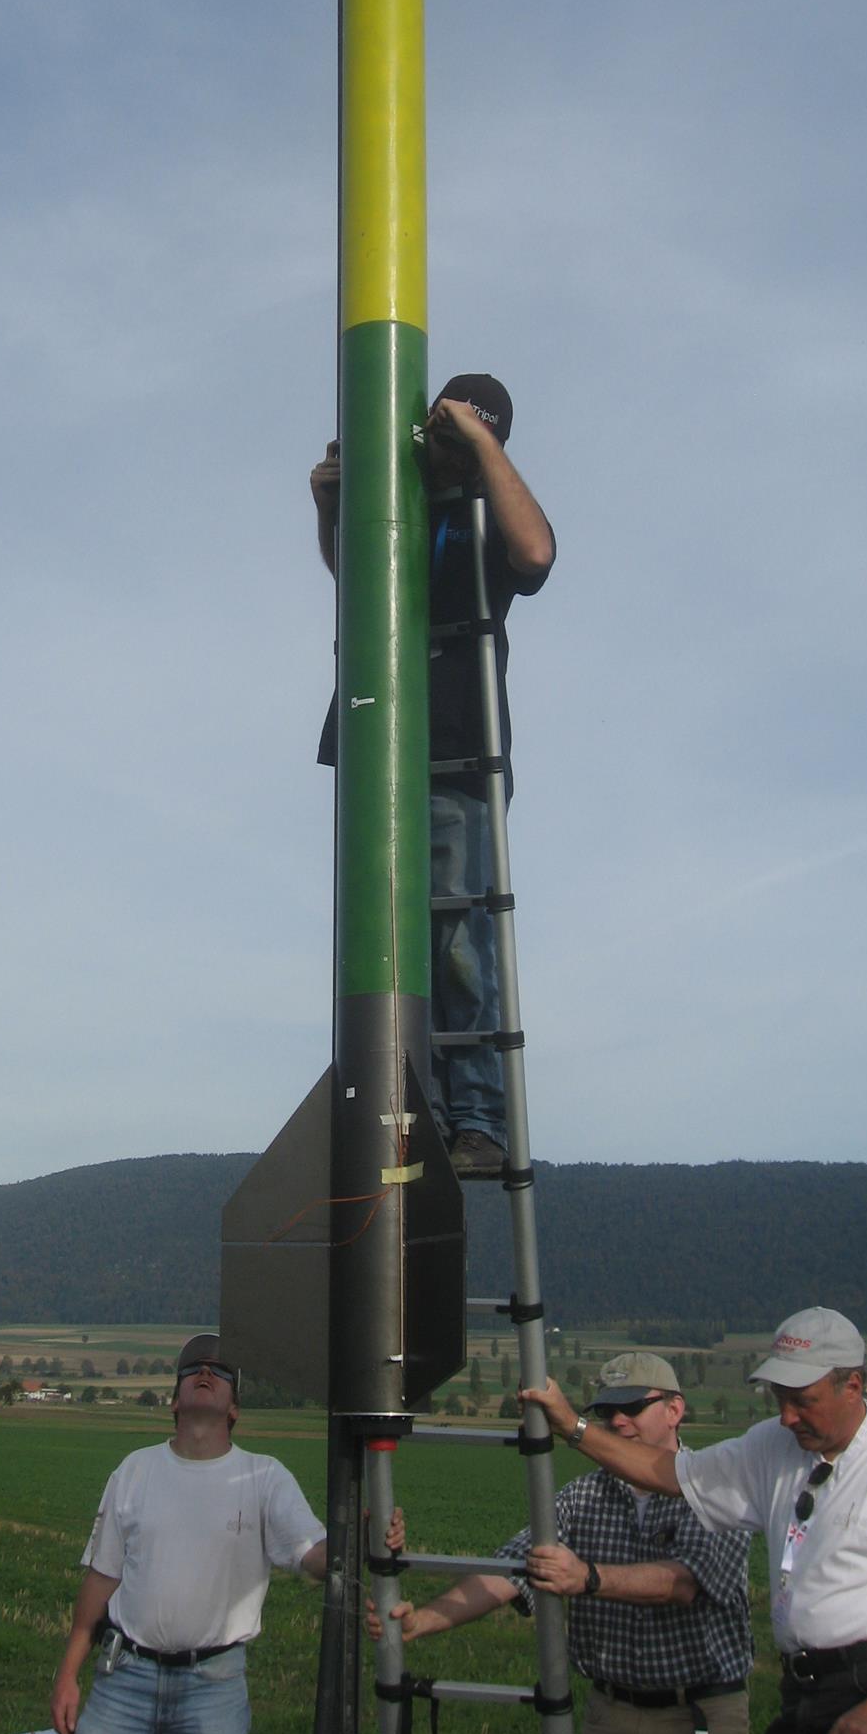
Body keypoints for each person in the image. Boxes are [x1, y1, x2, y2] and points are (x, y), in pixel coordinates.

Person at [523, 1309, 867, 1734]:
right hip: (803, 1691)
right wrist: (572, 1426)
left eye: (803, 1401)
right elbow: (668, 1474)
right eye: (780, 1398)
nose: (787, 1416)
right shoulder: (771, 1446)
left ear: (853, 1386)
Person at [311, 374, 555, 1179]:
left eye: (461, 438)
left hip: (455, 752)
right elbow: (357, 585)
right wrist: (331, 505)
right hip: (375, 745)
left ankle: (476, 1119)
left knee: (456, 943)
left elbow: (536, 554)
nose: (441, 451)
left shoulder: (487, 514)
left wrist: (479, 448)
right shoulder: (403, 505)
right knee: (385, 942)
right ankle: (411, 1116)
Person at [369, 1351, 753, 1734]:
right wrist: (422, 1622)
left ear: (674, 1410)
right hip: (611, 1712)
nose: (618, 1421)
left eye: (633, 1407)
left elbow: (684, 1582)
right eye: (607, 1411)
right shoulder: (582, 1496)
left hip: (699, 1711)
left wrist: (587, 1578)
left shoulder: (713, 1487)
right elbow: (511, 1570)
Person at [49, 1333, 328, 1734]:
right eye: (193, 1369)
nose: (205, 1373)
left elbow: (314, 1556)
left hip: (213, 1689)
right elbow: (101, 1578)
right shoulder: (134, 1470)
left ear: (235, 1408)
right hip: (125, 1680)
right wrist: (67, 1675)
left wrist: (359, 1536)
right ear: (175, 1401)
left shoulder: (265, 1477)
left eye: (220, 1371)